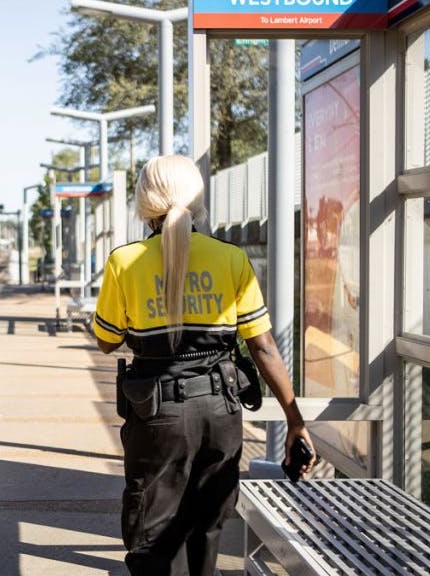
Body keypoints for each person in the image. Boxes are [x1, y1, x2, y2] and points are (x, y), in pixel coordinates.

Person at [92, 155, 316, 575]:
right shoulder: (230, 258)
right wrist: (295, 421)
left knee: (152, 536)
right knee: (206, 530)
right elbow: (263, 346)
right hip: (221, 411)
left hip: (158, 416)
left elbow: (106, 340)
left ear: (145, 201)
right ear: (197, 199)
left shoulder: (124, 261)